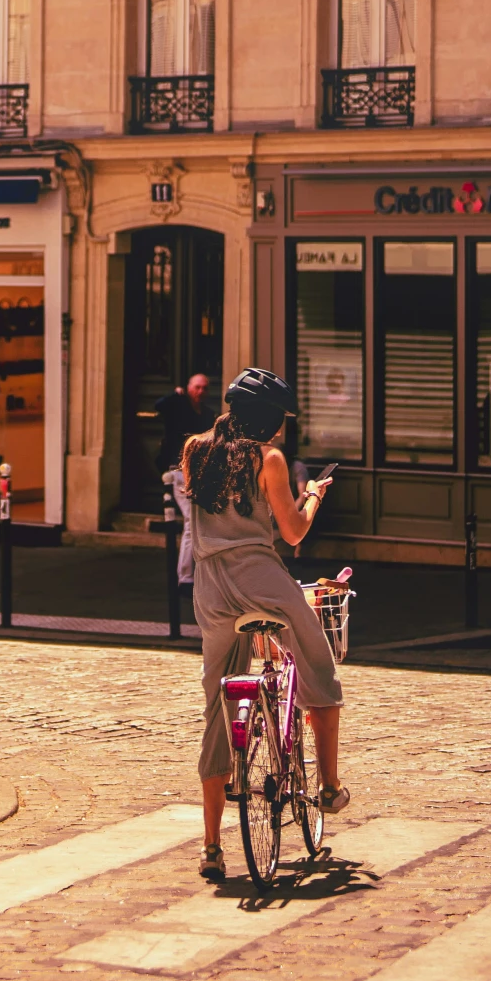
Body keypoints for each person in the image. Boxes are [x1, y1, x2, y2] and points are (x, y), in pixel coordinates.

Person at [183, 368, 342, 883]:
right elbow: (292, 533)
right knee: (318, 666)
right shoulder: (267, 458)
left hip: (209, 588)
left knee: (217, 702)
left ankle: (211, 846)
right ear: (270, 419)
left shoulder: (197, 451)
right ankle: (328, 787)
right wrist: (313, 494)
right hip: (260, 580)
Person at [154, 371, 219, 586]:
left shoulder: (207, 415)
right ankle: (185, 577)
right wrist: (175, 395)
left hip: (198, 474)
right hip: (180, 473)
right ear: (188, 387)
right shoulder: (179, 407)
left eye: (204, 388)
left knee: (200, 522)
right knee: (192, 523)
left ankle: (197, 574)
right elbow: (159, 406)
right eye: (196, 387)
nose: (200, 392)